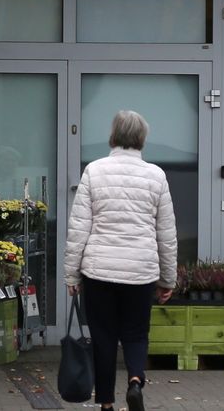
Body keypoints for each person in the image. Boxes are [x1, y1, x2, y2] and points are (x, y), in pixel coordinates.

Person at [64, 110, 178, 411]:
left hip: (99, 271)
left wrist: (71, 275)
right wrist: (168, 279)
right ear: (142, 138)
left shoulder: (94, 171)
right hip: (140, 272)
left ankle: (105, 403)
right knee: (136, 334)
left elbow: (79, 228)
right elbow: (166, 234)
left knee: (103, 337)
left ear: (113, 136)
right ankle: (136, 382)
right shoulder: (156, 176)